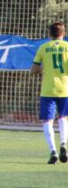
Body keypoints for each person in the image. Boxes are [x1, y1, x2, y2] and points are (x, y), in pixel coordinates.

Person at [31, 21, 68, 164]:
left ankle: (53, 151)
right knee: (63, 118)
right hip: (65, 89)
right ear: (63, 34)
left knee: (48, 121)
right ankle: (63, 144)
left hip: (47, 90)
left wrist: (43, 69)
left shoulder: (43, 47)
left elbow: (33, 70)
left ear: (49, 34)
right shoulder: (67, 47)